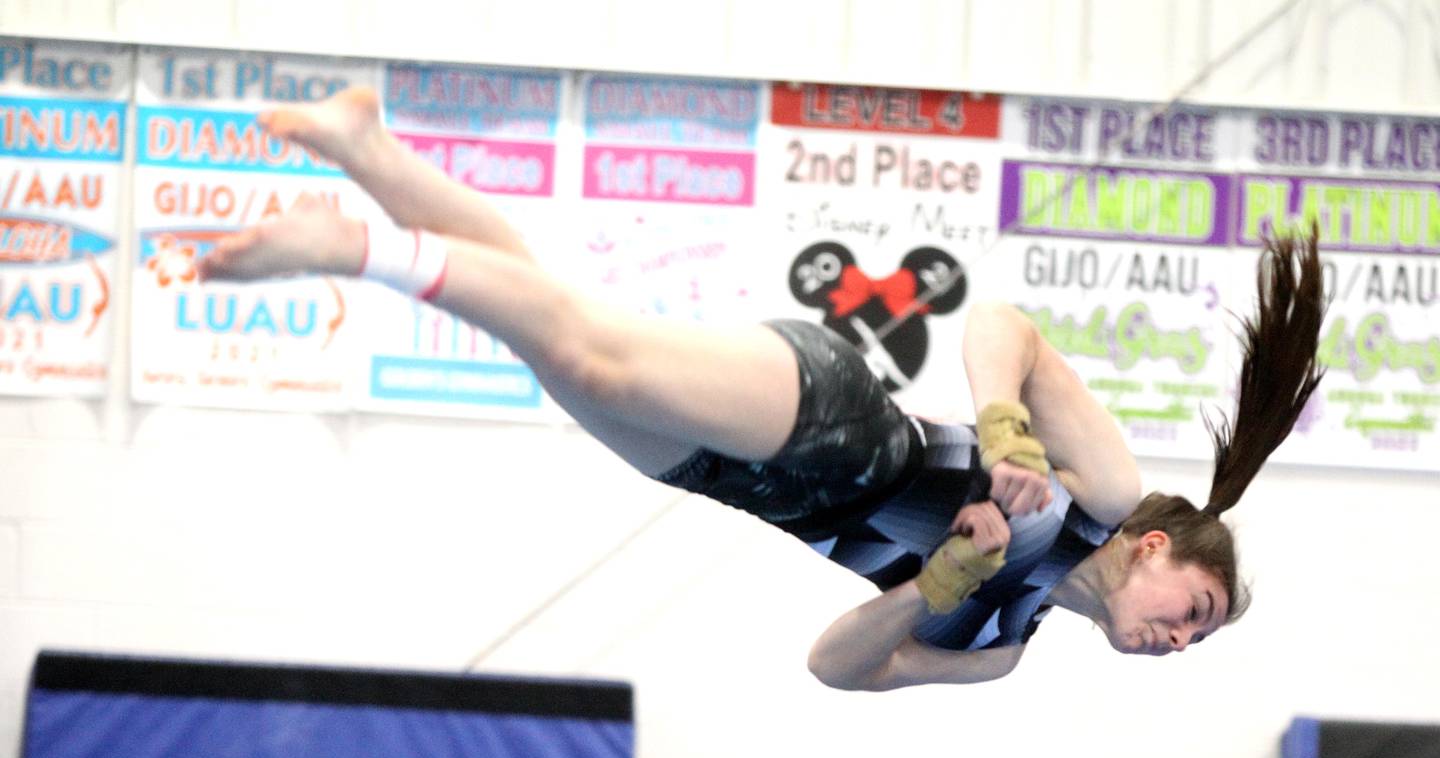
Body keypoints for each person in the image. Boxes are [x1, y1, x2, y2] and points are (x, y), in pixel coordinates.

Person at [198, 89, 1325, 692]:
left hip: (742, 483)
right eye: (1195, 614)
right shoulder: (1102, 491)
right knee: (592, 353)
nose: (1180, 640)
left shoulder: (1001, 641)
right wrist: (1004, 429)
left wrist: (932, 580)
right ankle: (357, 248)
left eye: (1193, 644)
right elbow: (1003, 326)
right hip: (838, 423)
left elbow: (840, 666)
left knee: (557, 337)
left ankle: (369, 151)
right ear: (1157, 553)